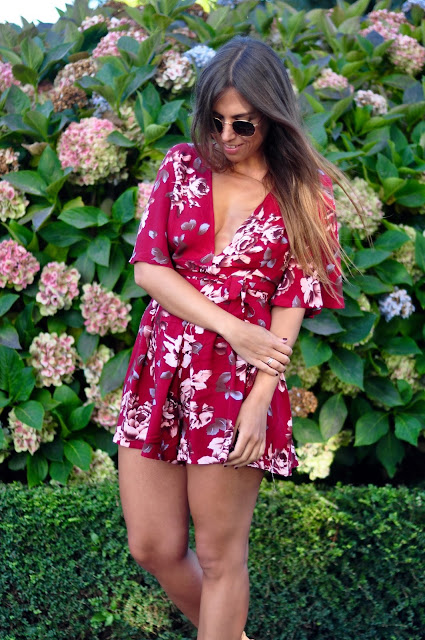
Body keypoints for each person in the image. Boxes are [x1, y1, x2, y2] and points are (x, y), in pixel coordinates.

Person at [113, 36, 344, 640]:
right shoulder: (181, 166)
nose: (226, 136)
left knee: (220, 559)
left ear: (273, 115)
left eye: (243, 124)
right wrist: (233, 326)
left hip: (236, 384)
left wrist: (261, 399)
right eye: (215, 121)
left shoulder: (305, 194)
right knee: (151, 544)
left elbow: (292, 302)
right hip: (161, 367)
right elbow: (149, 270)